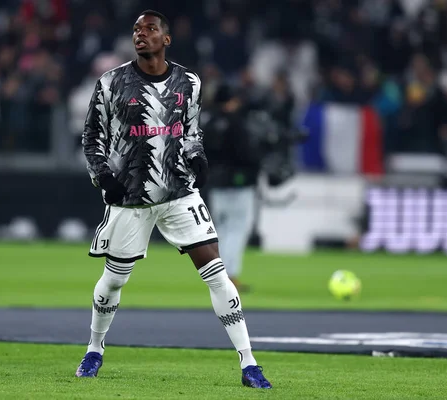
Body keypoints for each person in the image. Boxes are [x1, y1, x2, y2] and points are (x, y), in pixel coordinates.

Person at [76, 10, 272, 389]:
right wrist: (103, 177)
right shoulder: (112, 82)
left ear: (166, 39)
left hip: (179, 192)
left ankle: (249, 363)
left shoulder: (189, 82)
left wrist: (197, 156)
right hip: (131, 197)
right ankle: (94, 348)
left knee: (216, 272)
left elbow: (191, 130)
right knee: (115, 281)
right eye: (136, 29)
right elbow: (91, 139)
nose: (141, 34)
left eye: (149, 29)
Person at [203, 84, 260, 292]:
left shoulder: (209, 122)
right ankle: (230, 276)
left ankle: (217, 276)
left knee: (223, 230)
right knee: (237, 229)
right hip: (239, 185)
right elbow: (247, 155)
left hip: (217, 185)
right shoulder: (236, 123)